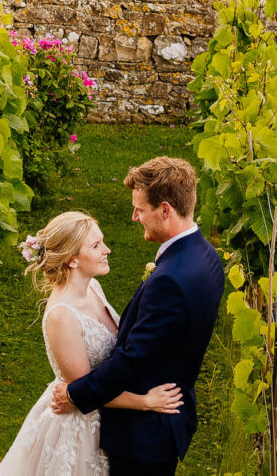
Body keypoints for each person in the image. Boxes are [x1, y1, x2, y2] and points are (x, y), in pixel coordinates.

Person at [50, 157, 225, 476]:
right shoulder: (206, 256)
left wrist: (75, 394)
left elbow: (132, 360)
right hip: (168, 416)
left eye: (140, 209)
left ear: (165, 210)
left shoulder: (171, 280)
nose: (134, 217)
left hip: (144, 438)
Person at [0, 210, 184, 476]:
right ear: (72, 260)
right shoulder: (62, 316)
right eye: (95, 246)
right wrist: (146, 401)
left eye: (102, 241)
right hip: (81, 426)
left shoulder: (93, 287)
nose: (107, 250)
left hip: (111, 416)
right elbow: (85, 389)